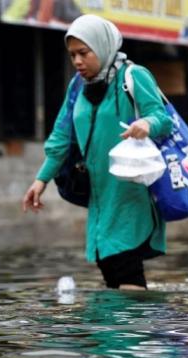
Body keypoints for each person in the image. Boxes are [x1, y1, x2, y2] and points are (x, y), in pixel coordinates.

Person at [21, 14, 173, 290]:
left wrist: (146, 124)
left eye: (84, 53)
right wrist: (41, 180)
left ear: (102, 47)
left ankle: (133, 330)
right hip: (99, 194)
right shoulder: (78, 86)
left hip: (131, 192)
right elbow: (61, 137)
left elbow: (163, 119)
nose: (77, 61)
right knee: (111, 269)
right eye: (72, 55)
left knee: (124, 266)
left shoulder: (133, 76)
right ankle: (122, 329)